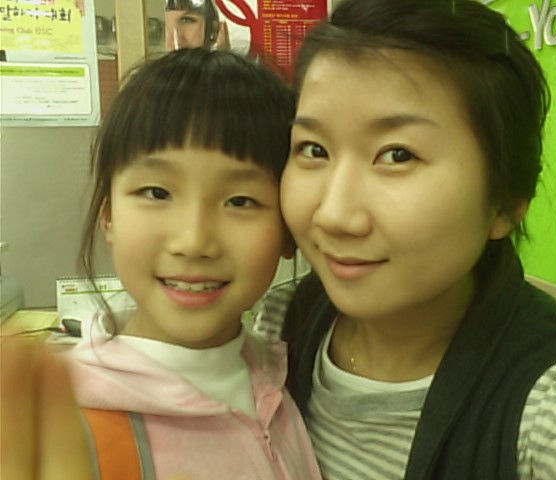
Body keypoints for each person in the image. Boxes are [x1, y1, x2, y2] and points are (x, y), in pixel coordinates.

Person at [272, 0, 556, 479]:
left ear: (505, 202)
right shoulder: (283, 322)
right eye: (314, 149)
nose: (334, 215)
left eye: (397, 155)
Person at [2, 48, 321, 480]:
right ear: (109, 214)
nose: (193, 241)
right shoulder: (62, 427)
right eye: (157, 193)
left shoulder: (286, 375)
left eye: (240, 201)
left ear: (287, 228)